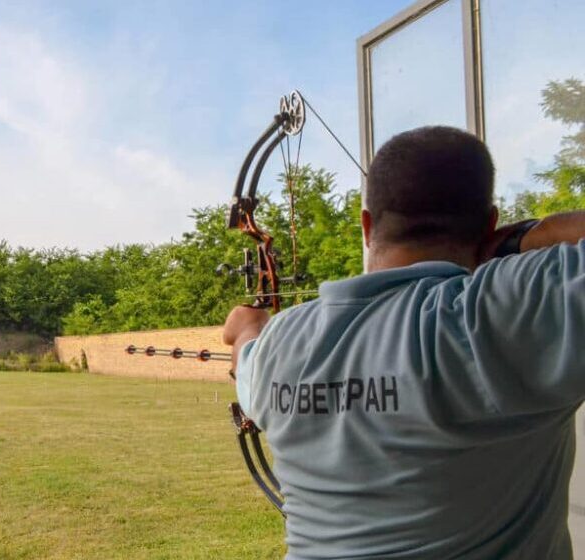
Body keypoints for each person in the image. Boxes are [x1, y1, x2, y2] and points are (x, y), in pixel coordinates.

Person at [223, 125, 585, 559]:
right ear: (490, 224)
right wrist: (524, 237)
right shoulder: (502, 311)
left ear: (367, 225)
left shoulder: (279, 344)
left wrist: (248, 327)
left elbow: (245, 347)